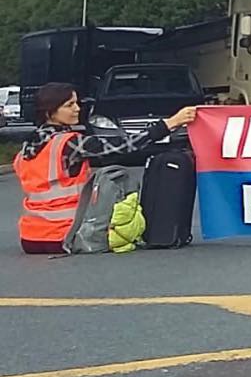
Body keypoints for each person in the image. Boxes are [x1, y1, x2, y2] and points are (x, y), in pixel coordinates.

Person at [15, 82, 197, 254]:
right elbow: (124, 145)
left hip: (30, 238)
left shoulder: (27, 147)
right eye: (69, 105)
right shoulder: (68, 143)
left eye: (76, 103)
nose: (77, 109)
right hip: (67, 234)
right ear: (50, 112)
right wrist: (169, 124)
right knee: (119, 183)